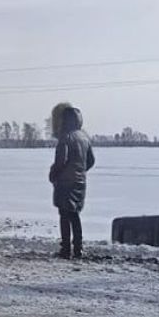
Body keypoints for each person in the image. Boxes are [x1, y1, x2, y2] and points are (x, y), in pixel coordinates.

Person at [49, 103, 95, 259]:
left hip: (65, 183)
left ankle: (66, 249)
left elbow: (61, 161)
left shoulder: (66, 138)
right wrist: (80, 171)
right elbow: (91, 160)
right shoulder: (84, 137)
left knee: (64, 215)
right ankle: (78, 248)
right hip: (80, 182)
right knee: (75, 215)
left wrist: (54, 174)